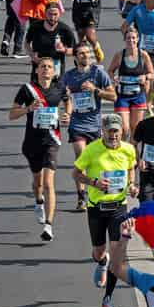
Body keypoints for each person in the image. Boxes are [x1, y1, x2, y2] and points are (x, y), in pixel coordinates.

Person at [76, 113, 138, 307]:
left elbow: (130, 169)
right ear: (103, 131)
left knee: (117, 254)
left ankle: (107, 299)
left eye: (116, 131)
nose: (113, 135)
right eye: (109, 131)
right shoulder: (92, 150)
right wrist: (94, 183)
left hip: (118, 208)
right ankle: (102, 262)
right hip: (96, 208)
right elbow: (75, 173)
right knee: (99, 253)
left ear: (122, 132)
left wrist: (131, 185)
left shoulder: (129, 149)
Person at [10, 55, 73, 242]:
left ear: (54, 72)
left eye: (49, 67)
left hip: (52, 141)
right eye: (43, 66)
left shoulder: (59, 87)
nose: (46, 69)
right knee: (37, 183)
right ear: (37, 70)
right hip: (31, 142)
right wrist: (28, 109)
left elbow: (68, 100)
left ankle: (49, 225)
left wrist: (67, 114)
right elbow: (11, 114)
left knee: (48, 183)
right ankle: (38, 202)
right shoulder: (27, 90)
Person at [62, 42, 117, 210]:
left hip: (94, 124)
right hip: (77, 124)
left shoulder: (97, 73)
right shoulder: (69, 76)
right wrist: (66, 108)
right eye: (82, 54)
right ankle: (81, 197)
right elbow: (63, 96)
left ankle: (96, 192)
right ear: (75, 57)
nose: (85, 56)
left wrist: (95, 90)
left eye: (88, 53)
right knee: (81, 157)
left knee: (95, 161)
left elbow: (113, 96)